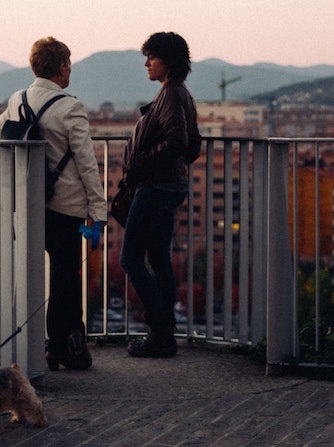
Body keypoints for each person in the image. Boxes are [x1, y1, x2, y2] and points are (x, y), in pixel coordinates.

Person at [0, 37, 107, 370]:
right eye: (69, 64)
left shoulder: (18, 99)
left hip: (29, 201)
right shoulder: (70, 106)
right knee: (65, 279)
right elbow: (87, 163)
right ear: (61, 67)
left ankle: (44, 347)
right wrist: (98, 212)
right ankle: (64, 346)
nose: (70, 69)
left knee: (30, 274)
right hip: (64, 207)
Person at [118, 32, 200, 358]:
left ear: (168, 60)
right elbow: (191, 144)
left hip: (157, 187)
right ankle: (164, 333)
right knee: (159, 259)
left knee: (130, 259)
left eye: (151, 56)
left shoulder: (171, 94)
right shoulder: (180, 94)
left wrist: (141, 162)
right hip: (170, 185)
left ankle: (161, 331)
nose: (146, 63)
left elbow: (179, 142)